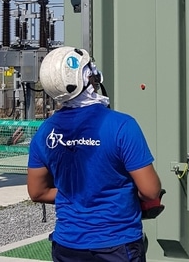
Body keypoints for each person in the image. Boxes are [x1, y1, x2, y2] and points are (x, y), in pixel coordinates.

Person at [27, 46, 164, 262]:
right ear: (89, 77)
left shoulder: (44, 132)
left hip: (67, 247)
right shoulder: (122, 126)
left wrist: (76, 196)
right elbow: (150, 190)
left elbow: (37, 192)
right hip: (117, 245)